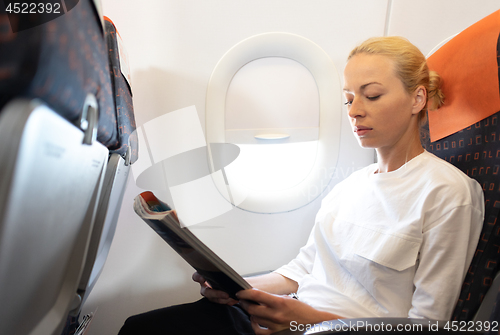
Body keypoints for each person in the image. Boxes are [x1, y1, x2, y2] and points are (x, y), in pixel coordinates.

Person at [117, 36, 484, 335]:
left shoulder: (448, 193)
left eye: (371, 95)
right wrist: (237, 285)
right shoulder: (350, 186)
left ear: (417, 98)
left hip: (324, 329)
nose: (355, 110)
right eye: (348, 98)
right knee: (142, 328)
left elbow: (428, 326)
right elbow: (300, 272)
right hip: (285, 322)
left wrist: (307, 320)